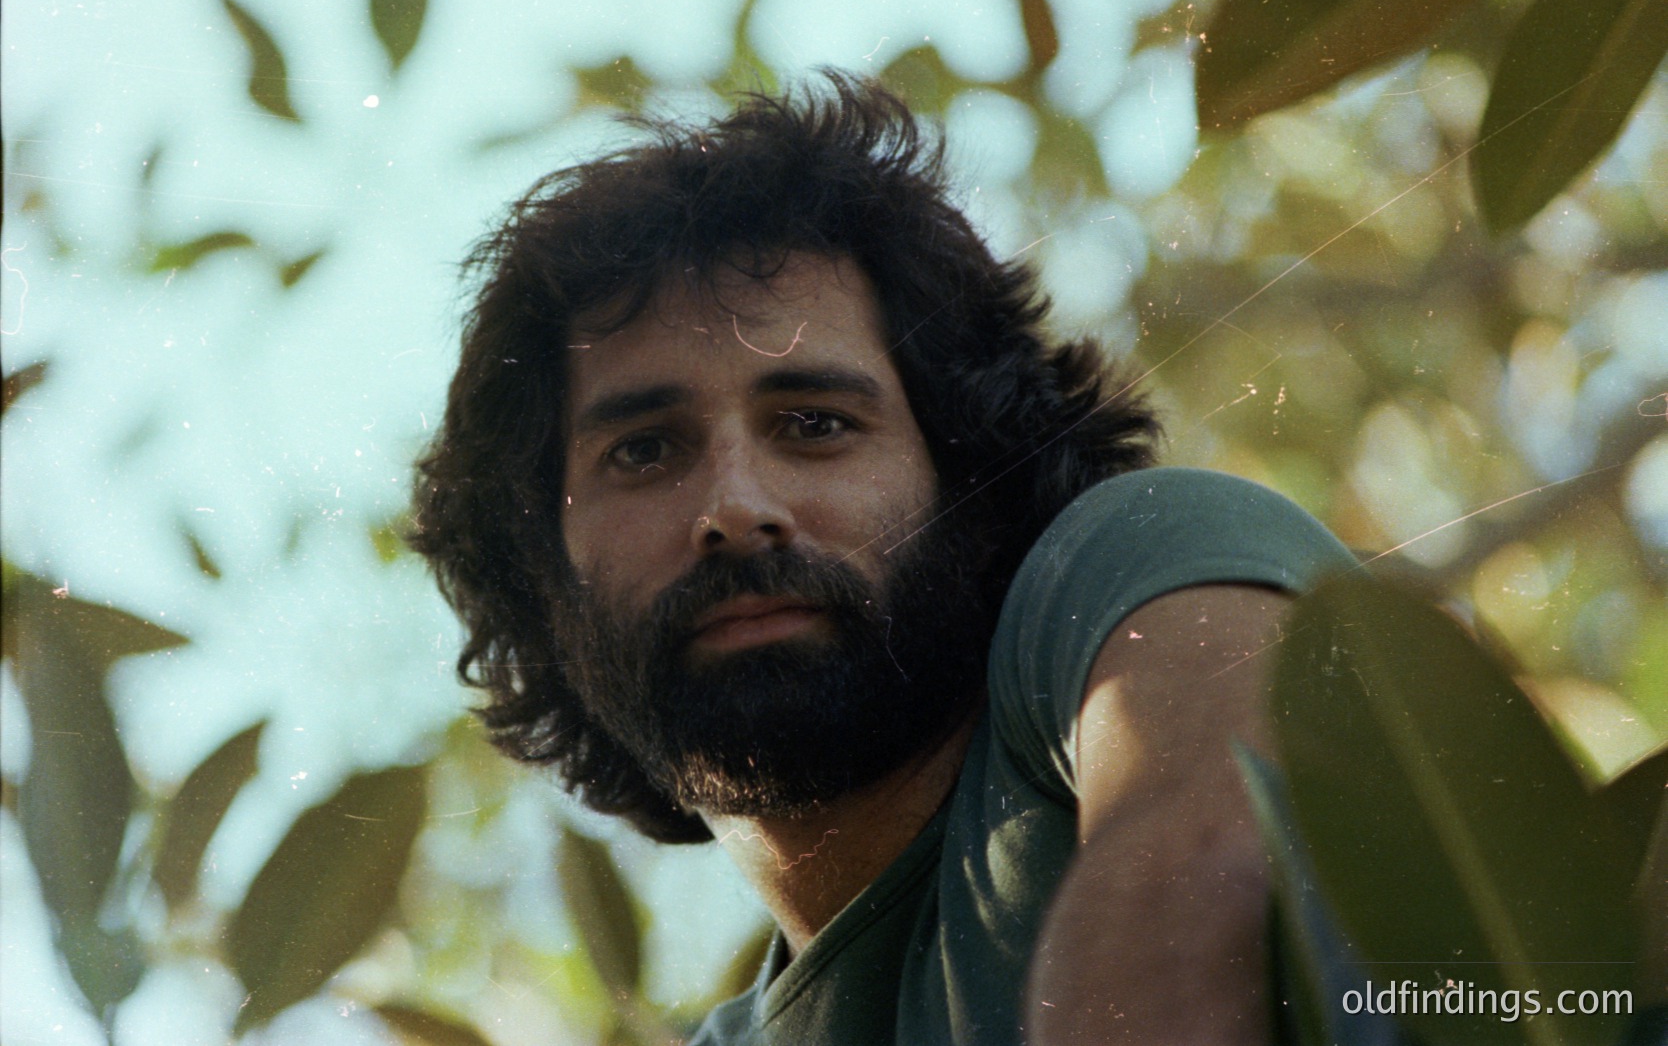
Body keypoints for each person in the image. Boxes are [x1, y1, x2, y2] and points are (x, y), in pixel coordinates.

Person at [409, 72, 1355, 1044]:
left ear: (965, 470)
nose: (735, 507)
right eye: (644, 450)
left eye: (814, 423)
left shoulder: (1135, 563)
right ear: (538, 565)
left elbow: (1214, 852)